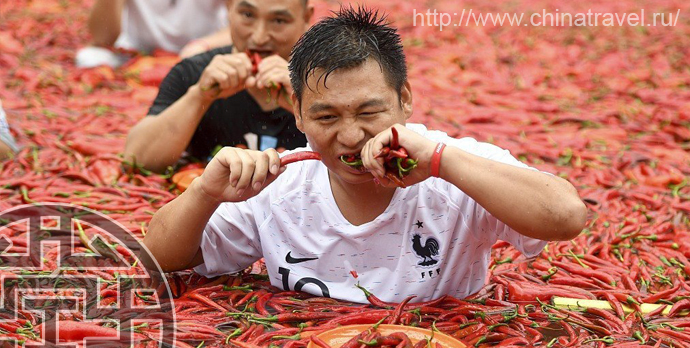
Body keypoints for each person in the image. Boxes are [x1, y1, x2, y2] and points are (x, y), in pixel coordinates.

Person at [143, 7, 587, 303]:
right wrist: (204, 192)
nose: (350, 135)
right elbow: (160, 258)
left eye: (369, 112)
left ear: (405, 99)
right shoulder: (280, 184)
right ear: (296, 112)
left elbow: (567, 216)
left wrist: (441, 162)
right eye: (326, 116)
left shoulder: (455, 168)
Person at [123, 0, 313, 172]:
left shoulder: (325, 80)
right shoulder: (194, 73)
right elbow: (137, 161)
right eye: (247, 15)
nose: (259, 37)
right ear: (228, 7)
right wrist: (198, 97)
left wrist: (304, 104)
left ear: (306, 18)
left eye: (279, 21)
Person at [76, 0, 232, 68]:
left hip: (201, 54)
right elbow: (102, 39)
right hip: (136, 55)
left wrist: (203, 45)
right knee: (90, 58)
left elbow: (246, 23)